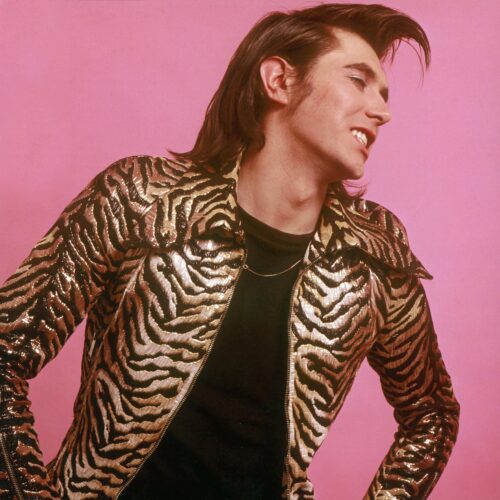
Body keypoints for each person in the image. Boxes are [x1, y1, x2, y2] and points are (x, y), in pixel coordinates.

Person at [0, 3, 460, 499]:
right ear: (279, 81)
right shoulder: (142, 201)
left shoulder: (372, 260)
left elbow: (431, 415)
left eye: (383, 94)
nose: (382, 112)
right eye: (358, 80)